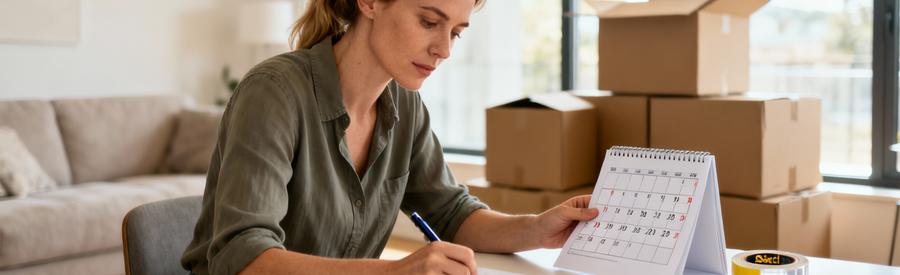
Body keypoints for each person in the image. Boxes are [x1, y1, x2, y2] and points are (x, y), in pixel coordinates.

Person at [180, 0, 599, 274]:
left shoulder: (404, 104)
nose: (444, 50)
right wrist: (395, 271)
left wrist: (537, 228)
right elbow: (243, 256)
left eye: (454, 32)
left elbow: (450, 213)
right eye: (429, 21)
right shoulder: (275, 92)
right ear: (370, 3)